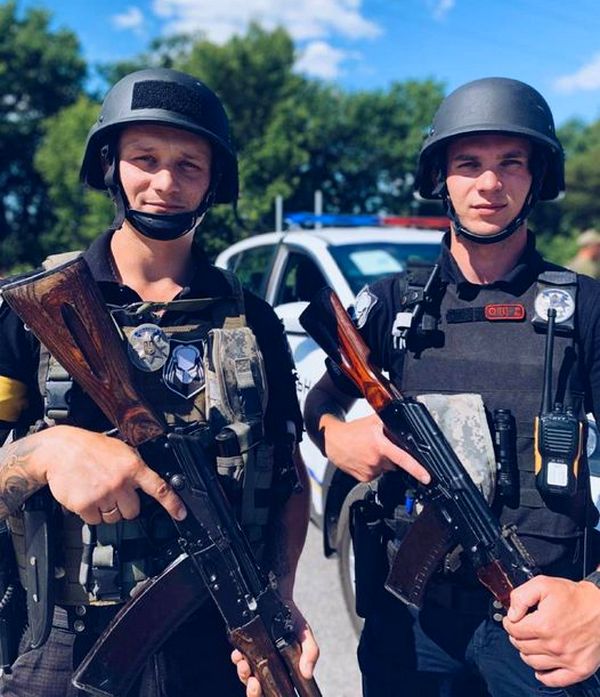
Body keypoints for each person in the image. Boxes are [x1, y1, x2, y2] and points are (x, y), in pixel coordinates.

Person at [0, 67, 318, 697]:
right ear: (110, 166)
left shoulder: (252, 320)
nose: (165, 183)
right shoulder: (36, 311)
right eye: (145, 159)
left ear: (213, 182)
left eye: (188, 165)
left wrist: (278, 599)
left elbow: (286, 472)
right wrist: (46, 452)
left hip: (216, 639)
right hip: (63, 640)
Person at [304, 77, 600, 696]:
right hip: (411, 622)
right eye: (469, 164)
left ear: (537, 178)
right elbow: (322, 400)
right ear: (440, 176)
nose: (489, 183)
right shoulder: (394, 303)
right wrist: (337, 437)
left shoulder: (585, 309)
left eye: (510, 163)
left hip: (539, 618)